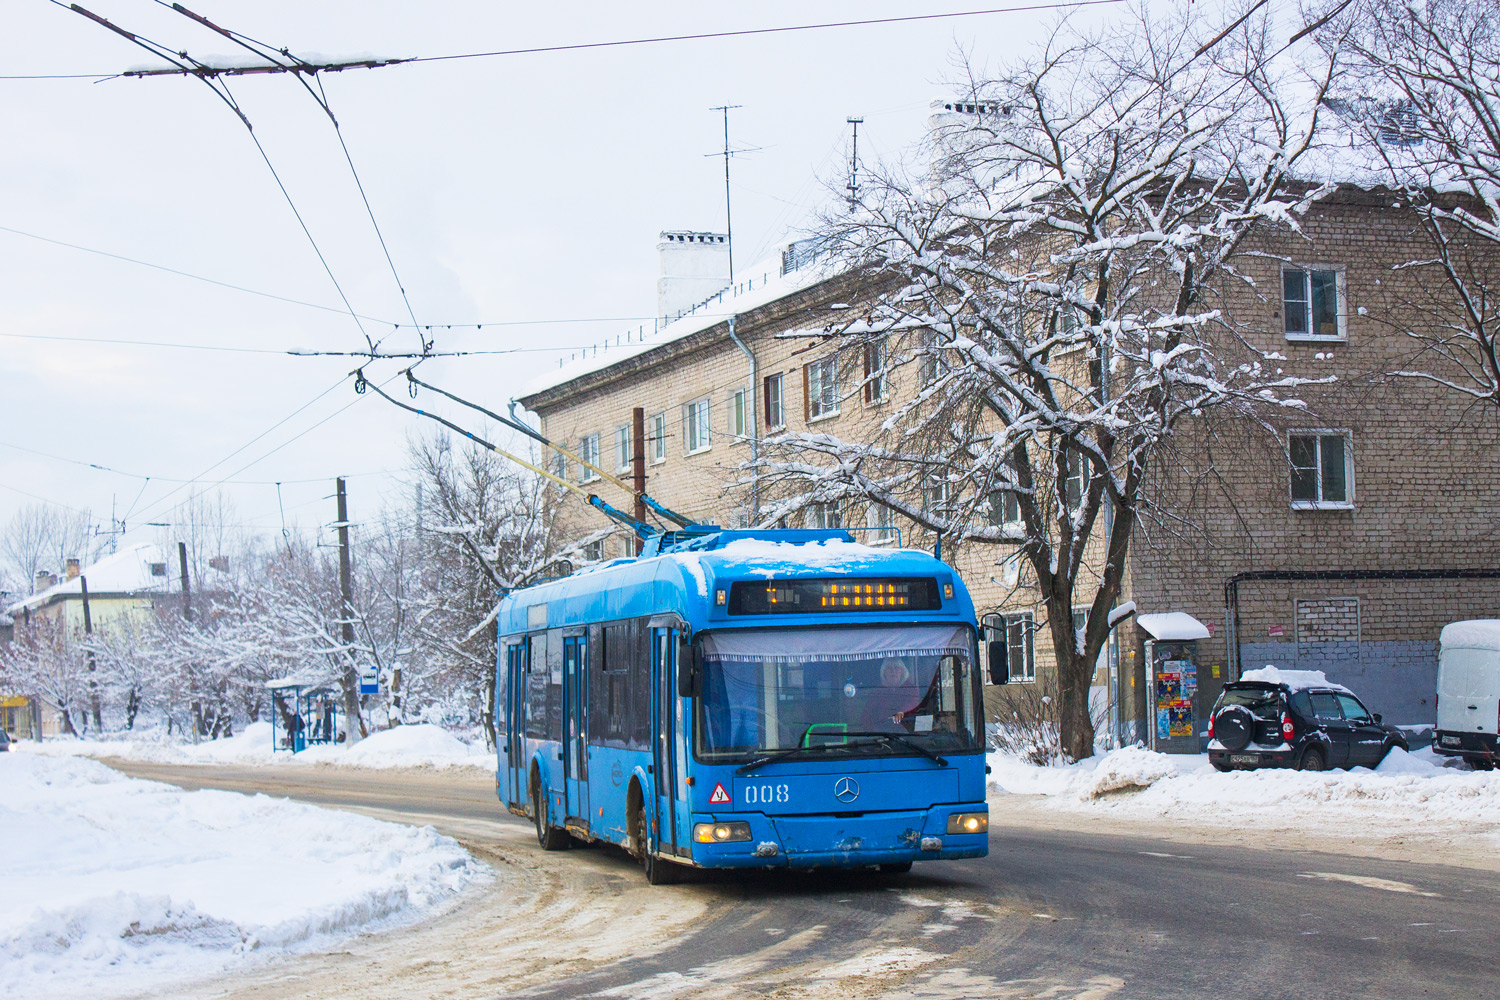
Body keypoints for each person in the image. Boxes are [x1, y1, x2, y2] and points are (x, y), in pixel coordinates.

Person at [860, 657, 919, 731]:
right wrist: (873, 732)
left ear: (902, 671)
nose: (893, 671)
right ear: (884, 672)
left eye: (896, 668)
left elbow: (912, 704)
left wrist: (902, 713)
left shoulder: (911, 689)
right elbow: (866, 716)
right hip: (882, 734)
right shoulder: (878, 691)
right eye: (889, 668)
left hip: (906, 732)